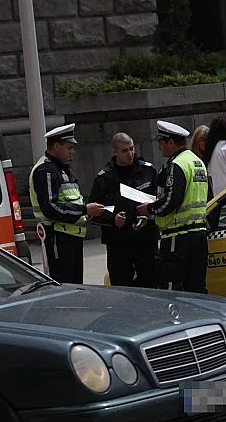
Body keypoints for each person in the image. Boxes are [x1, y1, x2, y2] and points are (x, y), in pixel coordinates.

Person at [135, 121, 209, 293]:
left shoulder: (177, 165)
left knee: (171, 287)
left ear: (170, 142)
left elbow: (171, 201)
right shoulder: (197, 162)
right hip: (198, 234)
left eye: (161, 142)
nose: (159, 146)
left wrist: (149, 209)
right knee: (197, 287)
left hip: (177, 236)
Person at [29, 123, 105, 284]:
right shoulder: (46, 171)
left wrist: (87, 214)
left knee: (75, 284)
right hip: (58, 237)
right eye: (69, 147)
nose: (73, 151)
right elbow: (51, 208)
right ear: (56, 146)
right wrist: (84, 210)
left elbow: (72, 199)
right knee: (64, 284)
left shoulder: (61, 168)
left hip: (71, 237)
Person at [88, 132, 159, 288]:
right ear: (114, 151)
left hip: (145, 239)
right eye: (125, 151)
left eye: (132, 149)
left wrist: (148, 215)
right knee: (121, 286)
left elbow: (159, 201)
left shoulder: (148, 171)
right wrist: (113, 219)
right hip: (118, 242)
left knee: (151, 284)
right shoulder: (104, 178)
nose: (130, 154)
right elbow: (94, 212)